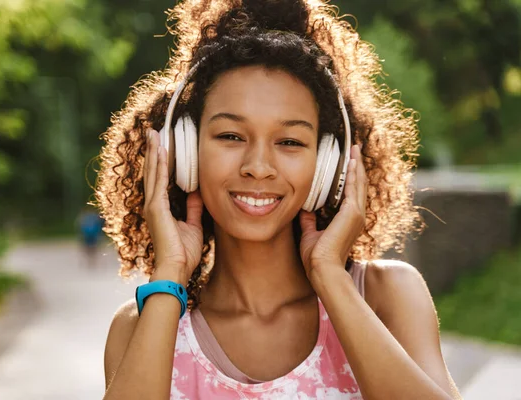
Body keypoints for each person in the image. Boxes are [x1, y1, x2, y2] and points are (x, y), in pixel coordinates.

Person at [97, 0, 462, 398]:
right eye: (231, 136)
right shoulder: (142, 326)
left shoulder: (385, 295)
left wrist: (331, 278)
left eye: (289, 141)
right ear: (183, 151)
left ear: (329, 166)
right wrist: (169, 272)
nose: (258, 167)